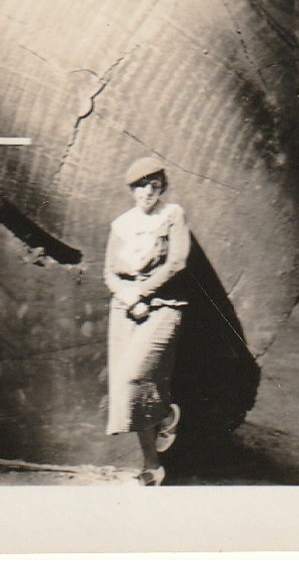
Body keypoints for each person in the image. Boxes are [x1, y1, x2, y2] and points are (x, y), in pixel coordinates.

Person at [104, 155, 193, 485]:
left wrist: (140, 293)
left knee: (134, 378)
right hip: (124, 310)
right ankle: (152, 464)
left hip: (163, 306)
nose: (147, 192)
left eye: (154, 185)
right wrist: (129, 298)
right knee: (136, 390)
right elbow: (109, 273)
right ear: (132, 189)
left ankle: (167, 413)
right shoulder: (121, 225)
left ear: (162, 188)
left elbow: (177, 263)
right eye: (141, 186)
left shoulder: (172, 216)